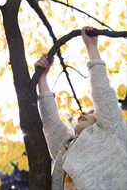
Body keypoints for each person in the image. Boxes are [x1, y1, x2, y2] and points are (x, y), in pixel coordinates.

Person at [35, 26, 127, 190]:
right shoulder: (66, 148)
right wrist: (41, 78)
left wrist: (91, 47)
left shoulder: (109, 130)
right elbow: (51, 125)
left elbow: (102, 92)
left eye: (92, 112)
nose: (83, 112)